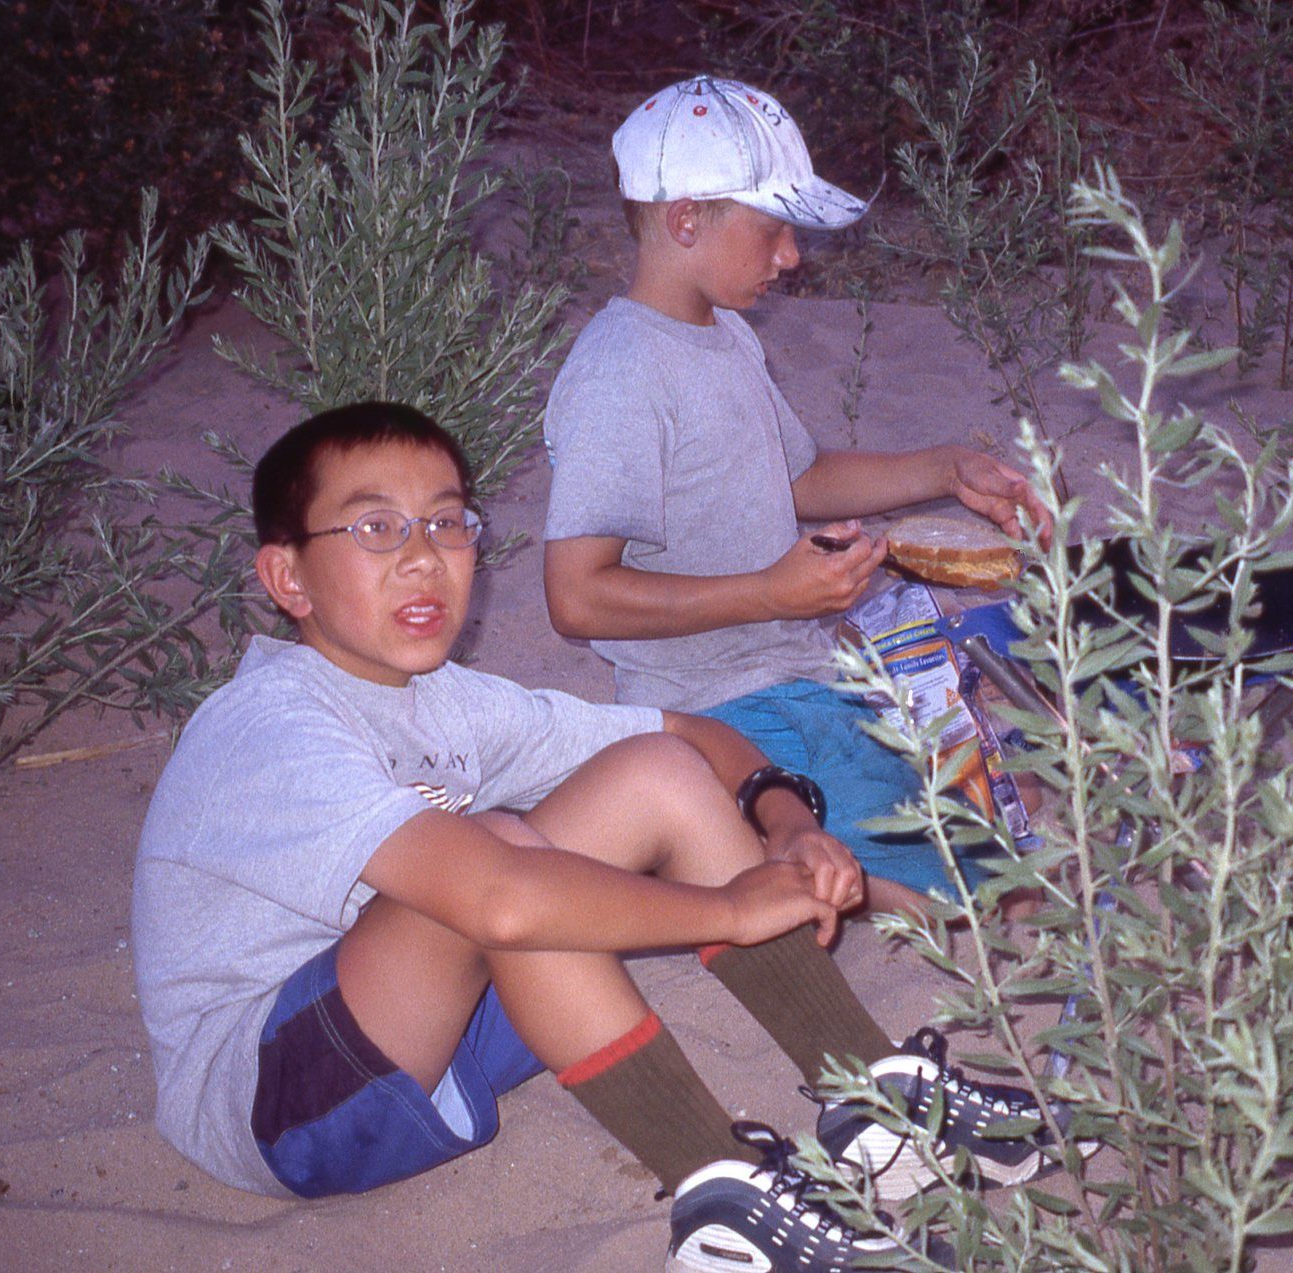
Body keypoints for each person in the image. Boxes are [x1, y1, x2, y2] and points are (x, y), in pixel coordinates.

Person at [132, 402, 1070, 1272]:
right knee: (501, 855)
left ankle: (871, 1102)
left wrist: (784, 820)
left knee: (653, 774)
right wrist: (728, 909)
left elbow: (686, 736)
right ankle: (725, 1202)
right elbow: (499, 898)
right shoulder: (269, 722)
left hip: (433, 1030)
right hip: (279, 1104)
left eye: (448, 523)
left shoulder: (443, 699)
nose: (423, 558)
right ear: (287, 577)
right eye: (376, 528)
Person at [541, 76, 1051, 912]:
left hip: (802, 669)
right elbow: (576, 597)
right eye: (774, 229)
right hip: (716, 706)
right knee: (966, 887)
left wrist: (942, 469)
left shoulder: (725, 335)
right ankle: (744, 849)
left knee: (993, 788)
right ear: (685, 220)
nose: (791, 256)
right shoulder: (619, 373)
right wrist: (769, 593)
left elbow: (798, 478)